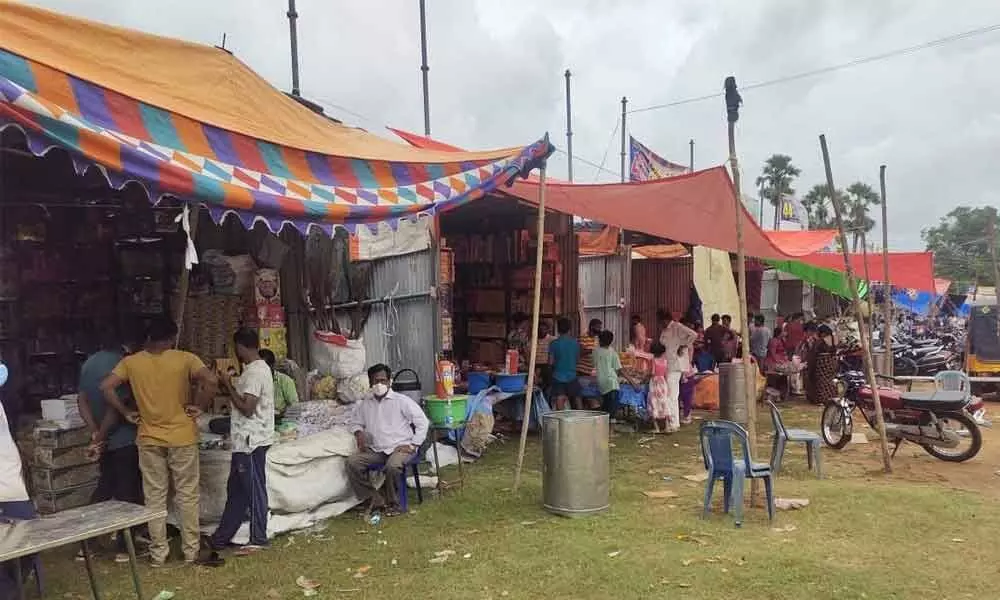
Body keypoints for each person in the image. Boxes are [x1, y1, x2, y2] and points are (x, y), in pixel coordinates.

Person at [100, 316, 217, 566]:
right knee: (187, 495)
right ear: (171, 338)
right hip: (182, 436)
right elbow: (211, 380)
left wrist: (125, 411)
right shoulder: (185, 358)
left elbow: (106, 387)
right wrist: (199, 406)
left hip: (148, 437)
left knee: (154, 496)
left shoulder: (131, 362)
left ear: (149, 337)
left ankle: (158, 553)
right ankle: (190, 551)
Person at [77, 332, 144, 561]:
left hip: (104, 438)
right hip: (122, 439)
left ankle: (87, 543)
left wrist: (94, 431)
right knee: (128, 492)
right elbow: (115, 408)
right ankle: (124, 548)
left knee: (104, 490)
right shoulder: (122, 364)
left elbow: (82, 400)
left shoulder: (89, 363)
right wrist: (101, 436)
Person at [210, 328, 275, 553]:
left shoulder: (256, 372)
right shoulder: (251, 371)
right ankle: (221, 538)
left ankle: (259, 538)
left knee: (253, 491)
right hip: (244, 441)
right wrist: (226, 383)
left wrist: (228, 384)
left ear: (240, 347)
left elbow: (247, 408)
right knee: (236, 491)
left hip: (251, 440)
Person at [346, 364, 429, 516]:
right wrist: (359, 433)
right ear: (370, 383)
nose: (379, 385)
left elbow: (422, 422)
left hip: (401, 447)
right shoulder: (366, 403)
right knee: (353, 462)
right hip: (378, 449)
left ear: (389, 382)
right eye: (375, 381)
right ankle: (374, 499)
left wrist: (413, 445)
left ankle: (394, 504)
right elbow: (355, 422)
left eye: (383, 380)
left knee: (393, 466)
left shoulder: (401, 401)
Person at [593, 330, 638, 420]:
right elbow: (620, 370)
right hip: (611, 383)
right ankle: (611, 430)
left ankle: (604, 427)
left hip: (601, 382)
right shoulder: (612, 352)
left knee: (605, 407)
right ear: (611, 341)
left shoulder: (595, 351)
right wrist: (633, 383)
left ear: (600, 340)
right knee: (612, 409)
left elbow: (595, 364)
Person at [548, 317, 580, 411]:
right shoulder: (575, 343)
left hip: (558, 376)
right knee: (577, 398)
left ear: (558, 329)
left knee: (560, 398)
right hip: (572, 375)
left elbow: (550, 362)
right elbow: (577, 360)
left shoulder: (553, 344)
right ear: (570, 329)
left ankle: (561, 420)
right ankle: (582, 419)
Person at [260, 348, 298, 421]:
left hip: (282, 423)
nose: (261, 372)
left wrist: (281, 415)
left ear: (272, 366)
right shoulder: (255, 381)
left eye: (265, 368)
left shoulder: (285, 381)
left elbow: (295, 408)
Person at [805, 324, 839, 405]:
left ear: (823, 333)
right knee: (830, 380)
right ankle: (831, 396)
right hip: (833, 361)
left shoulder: (820, 341)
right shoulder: (835, 338)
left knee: (821, 381)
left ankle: (821, 398)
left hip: (822, 362)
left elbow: (814, 353)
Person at [646, 342, 674, 433]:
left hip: (654, 383)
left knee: (653, 403)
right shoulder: (665, 361)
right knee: (664, 403)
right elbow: (666, 375)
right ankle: (667, 426)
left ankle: (656, 427)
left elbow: (652, 373)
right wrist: (668, 387)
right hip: (663, 383)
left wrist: (645, 376)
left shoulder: (653, 361)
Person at [577, 318, 603, 409]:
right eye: (598, 327)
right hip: (581, 370)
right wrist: (591, 351)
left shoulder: (597, 339)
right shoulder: (583, 337)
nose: (600, 329)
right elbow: (579, 352)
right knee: (583, 392)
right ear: (592, 327)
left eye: (600, 327)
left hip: (592, 371)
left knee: (591, 391)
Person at [676, 344, 697, 425]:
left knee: (686, 397)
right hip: (681, 373)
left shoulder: (688, 345)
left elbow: (689, 360)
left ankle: (686, 415)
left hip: (686, 374)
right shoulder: (686, 345)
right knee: (680, 397)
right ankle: (681, 415)